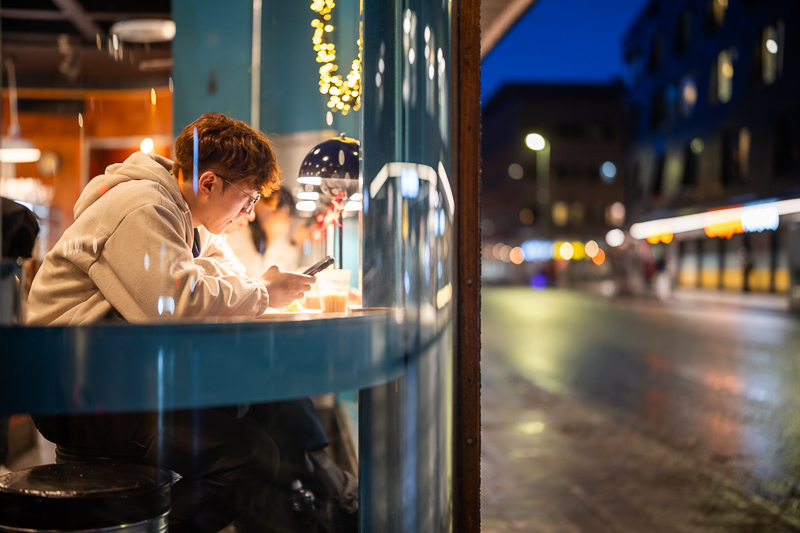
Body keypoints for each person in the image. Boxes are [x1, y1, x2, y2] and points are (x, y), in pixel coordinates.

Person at [25, 112, 320, 533]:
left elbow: (231, 279)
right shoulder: (143, 208)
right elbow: (177, 303)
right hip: (79, 393)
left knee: (269, 403)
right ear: (209, 183)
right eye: (248, 199)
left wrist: (257, 290)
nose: (250, 214)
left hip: (121, 379)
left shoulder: (190, 221)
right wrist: (264, 293)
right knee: (250, 458)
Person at [225, 187, 307, 274]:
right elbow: (261, 277)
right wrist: (293, 246)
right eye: (286, 219)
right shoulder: (237, 229)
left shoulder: (255, 233)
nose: (286, 229)